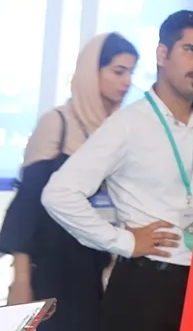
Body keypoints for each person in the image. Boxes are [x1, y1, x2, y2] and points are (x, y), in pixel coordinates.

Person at [42, 11, 193, 331]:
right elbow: (59, 193)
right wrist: (123, 241)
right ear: (162, 54)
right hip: (145, 283)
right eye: (191, 50)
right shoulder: (128, 123)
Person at [0, 33, 137, 330]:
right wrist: (21, 280)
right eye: (118, 71)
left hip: (95, 265)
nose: (126, 82)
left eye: (131, 73)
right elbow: (27, 207)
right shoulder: (57, 124)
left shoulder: (118, 130)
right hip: (51, 266)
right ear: (92, 72)